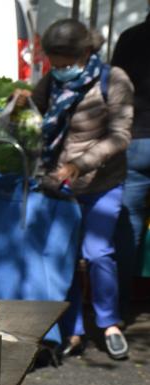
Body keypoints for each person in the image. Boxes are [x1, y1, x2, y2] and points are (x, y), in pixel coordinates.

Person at [15, 19, 133, 360]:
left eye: (66, 63)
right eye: (56, 64)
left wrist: (80, 164)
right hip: (60, 184)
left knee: (98, 253)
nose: (60, 70)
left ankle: (110, 323)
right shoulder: (52, 79)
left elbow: (120, 136)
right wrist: (22, 104)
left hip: (102, 181)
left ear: (85, 53)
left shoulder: (115, 79)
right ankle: (73, 329)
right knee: (61, 255)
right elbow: (36, 113)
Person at [112, 2, 150, 291]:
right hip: (136, 138)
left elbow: (114, 88)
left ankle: (120, 301)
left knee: (130, 226)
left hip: (136, 139)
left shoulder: (130, 37)